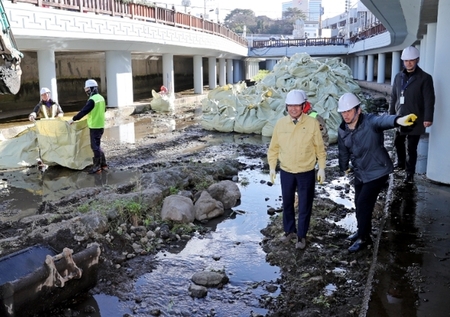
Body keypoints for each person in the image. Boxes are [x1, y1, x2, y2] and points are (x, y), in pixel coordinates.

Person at [337, 92, 417, 253]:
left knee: (364, 203)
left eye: (349, 111)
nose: (346, 115)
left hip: (378, 171)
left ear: (358, 110)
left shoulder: (370, 122)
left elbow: (383, 121)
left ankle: (364, 239)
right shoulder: (343, 130)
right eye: (343, 112)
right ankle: (361, 231)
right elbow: (343, 151)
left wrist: (399, 120)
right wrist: (343, 166)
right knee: (358, 201)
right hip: (360, 171)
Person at [267, 89, 327, 250]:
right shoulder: (280, 124)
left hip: (306, 171)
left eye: (297, 106)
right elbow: (273, 148)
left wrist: (321, 168)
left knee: (305, 206)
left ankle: (301, 236)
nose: (293, 109)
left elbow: (320, 149)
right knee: (287, 203)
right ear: (286, 107)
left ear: (303, 106)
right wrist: (272, 167)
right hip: (286, 171)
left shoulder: (312, 123)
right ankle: (289, 232)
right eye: (290, 106)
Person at [389, 46, 435, 184]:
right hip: (400, 117)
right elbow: (393, 97)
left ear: (417, 60)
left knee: (412, 147)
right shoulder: (398, 77)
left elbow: (429, 99)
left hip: (416, 117)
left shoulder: (425, 78)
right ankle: (401, 163)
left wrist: (428, 118)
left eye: (411, 60)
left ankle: (409, 173)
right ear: (403, 61)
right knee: (398, 142)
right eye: (406, 60)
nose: (408, 63)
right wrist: (390, 116)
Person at [68, 79, 107, 174]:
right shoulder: (101, 98)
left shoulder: (92, 100)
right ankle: (103, 164)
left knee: (95, 147)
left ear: (92, 89)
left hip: (94, 126)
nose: (86, 91)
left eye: (87, 89)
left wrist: (73, 119)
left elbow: (83, 111)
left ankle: (97, 167)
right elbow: (104, 110)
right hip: (101, 125)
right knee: (97, 145)